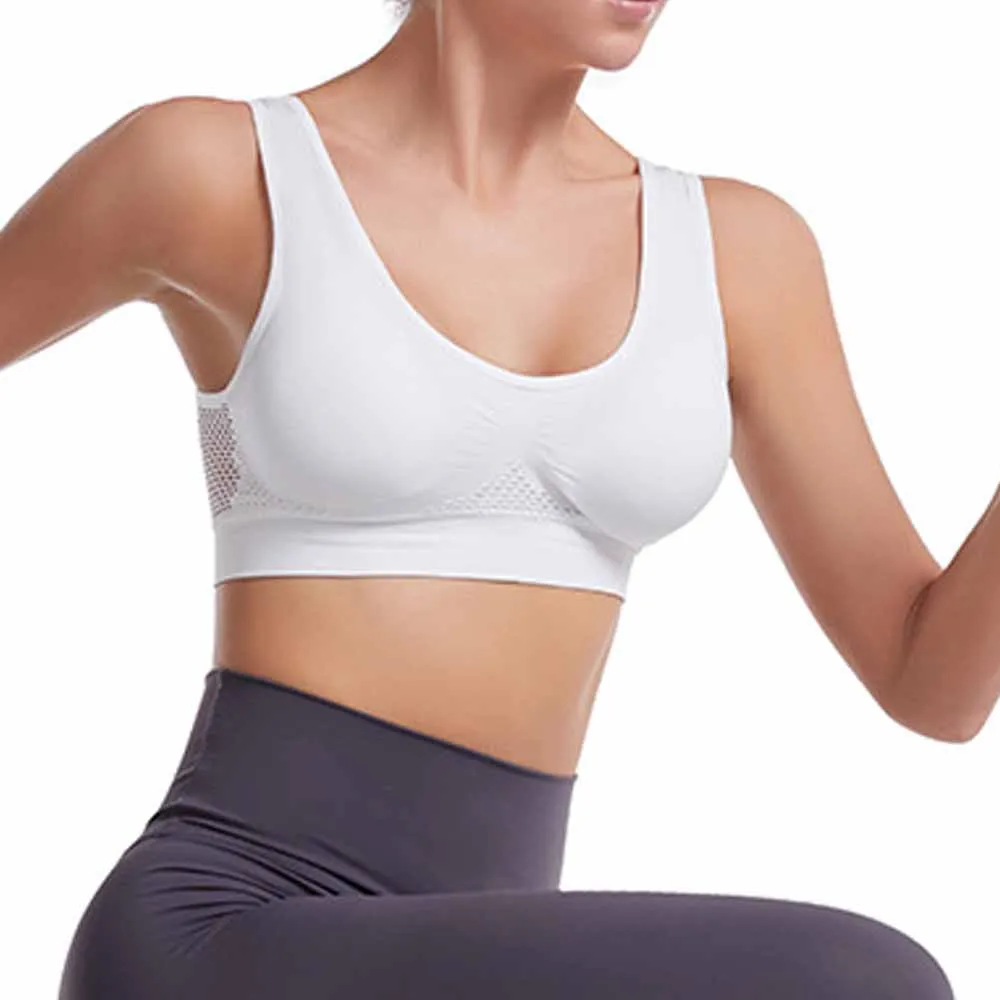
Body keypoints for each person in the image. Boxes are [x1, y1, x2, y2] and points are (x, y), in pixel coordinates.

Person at [1, 0, 975, 996]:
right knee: (862, 982)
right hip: (226, 927)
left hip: (468, 943)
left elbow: (931, 683)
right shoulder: (215, 169)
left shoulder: (739, 252)